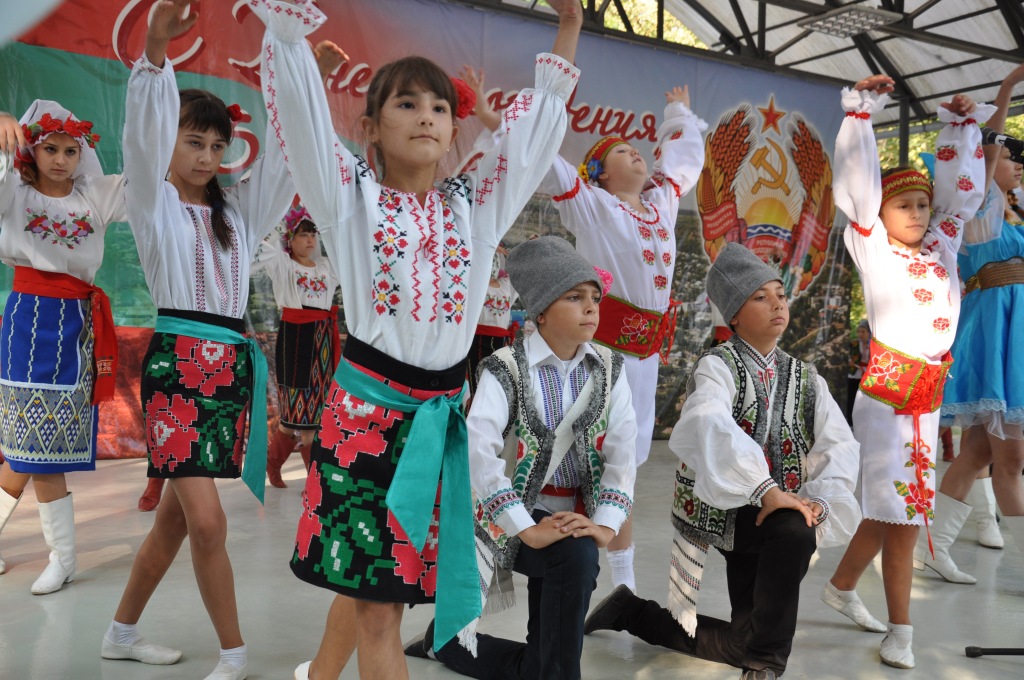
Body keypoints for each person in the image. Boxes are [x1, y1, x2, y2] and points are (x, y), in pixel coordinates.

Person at [251, 0, 583, 678]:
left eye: (438, 106)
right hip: (365, 419)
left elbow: (530, 142)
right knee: (381, 603)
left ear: (453, 128)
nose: (427, 115)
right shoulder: (349, 196)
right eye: (406, 104)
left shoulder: (474, 204)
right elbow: (306, 128)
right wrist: (286, 35)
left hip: (439, 421)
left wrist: (570, 28)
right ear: (370, 127)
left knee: (383, 585)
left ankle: (319, 675)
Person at [99, 3, 295, 679]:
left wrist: (296, 72)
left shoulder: (237, 217)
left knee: (177, 523)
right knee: (209, 524)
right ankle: (236, 656)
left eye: (217, 146)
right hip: (177, 374)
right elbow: (141, 140)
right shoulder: (154, 205)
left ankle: (120, 634)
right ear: (170, 144)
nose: (207, 156)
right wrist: (155, 50)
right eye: (194, 142)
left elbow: (289, 163)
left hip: (227, 373)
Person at [583, 243, 860, 680]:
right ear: (733, 315)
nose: (777, 305)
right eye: (760, 297)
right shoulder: (718, 365)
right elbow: (707, 421)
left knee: (793, 534)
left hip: (780, 512)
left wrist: (818, 503)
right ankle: (763, 660)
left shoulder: (806, 378)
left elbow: (840, 445)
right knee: (785, 540)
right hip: (730, 508)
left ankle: (636, 613)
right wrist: (766, 490)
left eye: (780, 295)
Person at [404, 235, 637, 679]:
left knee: (579, 556)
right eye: (575, 297)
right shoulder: (504, 368)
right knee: (576, 559)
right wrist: (527, 528)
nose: (591, 307)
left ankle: (450, 643)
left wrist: (606, 524)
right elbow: (479, 453)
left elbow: (623, 451)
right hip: (507, 517)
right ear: (542, 312)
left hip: (577, 517)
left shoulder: (610, 367)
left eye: (594, 298)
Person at [819, 75, 987, 669]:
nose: (918, 213)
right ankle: (903, 629)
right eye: (903, 205)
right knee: (905, 515)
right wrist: (862, 116)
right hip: (890, 400)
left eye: (922, 204)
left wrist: (962, 129)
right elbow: (859, 186)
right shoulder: (872, 245)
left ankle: (840, 587)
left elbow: (959, 197)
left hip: (927, 398)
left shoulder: (940, 248)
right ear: (879, 212)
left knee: (889, 509)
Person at [0, 100, 123, 593]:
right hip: (27, 318)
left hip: (77, 322)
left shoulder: (95, 196)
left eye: (72, 150)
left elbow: (147, 176)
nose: (61, 159)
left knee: (30, 450)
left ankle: (63, 558)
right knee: (26, 446)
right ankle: (64, 557)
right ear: (32, 149)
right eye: (50, 148)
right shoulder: (14, 192)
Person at [927, 64, 1024, 581]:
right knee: (1009, 458)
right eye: (1009, 156)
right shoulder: (981, 213)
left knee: (980, 452)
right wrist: (1007, 90)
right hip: (997, 337)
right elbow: (989, 147)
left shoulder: (1011, 217)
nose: (1015, 163)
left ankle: (936, 546)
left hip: (1013, 336)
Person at [254, 204, 340, 487]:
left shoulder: (327, 266)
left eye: (312, 234)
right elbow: (261, 243)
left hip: (323, 341)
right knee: (303, 415)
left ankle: (273, 462)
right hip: (297, 339)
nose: (310, 240)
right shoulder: (284, 265)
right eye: (302, 234)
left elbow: (346, 244)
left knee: (301, 417)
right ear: (290, 239)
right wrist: (283, 220)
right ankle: (316, 484)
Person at [466, 244, 518, 395]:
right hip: (476, 339)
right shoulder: (473, 282)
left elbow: (519, 269)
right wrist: (485, 247)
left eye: (495, 258)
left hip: (500, 342)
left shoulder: (506, 284)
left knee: (497, 382)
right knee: (475, 382)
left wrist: (505, 252)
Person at [846, 320, 870, 424]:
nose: (860, 334)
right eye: (859, 331)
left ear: (869, 332)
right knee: (852, 398)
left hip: (868, 375)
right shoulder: (854, 344)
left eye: (863, 332)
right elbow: (845, 354)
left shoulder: (873, 344)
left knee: (864, 399)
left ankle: (863, 421)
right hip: (854, 374)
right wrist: (849, 361)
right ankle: (850, 422)